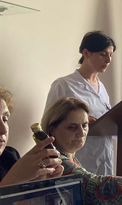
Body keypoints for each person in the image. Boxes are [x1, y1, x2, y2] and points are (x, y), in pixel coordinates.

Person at [45, 31, 116, 175]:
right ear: (86, 53)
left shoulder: (101, 88)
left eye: (111, 55)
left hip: (104, 156)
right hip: (78, 157)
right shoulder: (64, 85)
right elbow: (48, 124)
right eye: (103, 54)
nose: (108, 60)